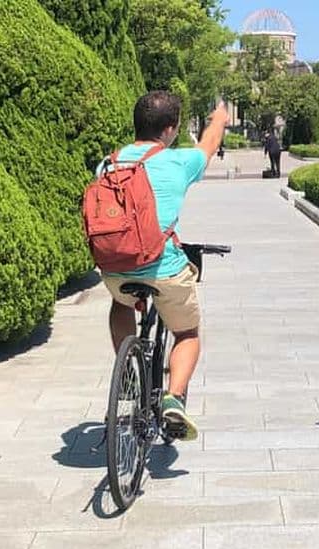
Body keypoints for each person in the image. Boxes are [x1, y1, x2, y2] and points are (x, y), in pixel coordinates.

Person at [98, 91, 227, 441]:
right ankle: (174, 397)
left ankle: (128, 375)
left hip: (114, 267)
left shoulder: (108, 164)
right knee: (187, 332)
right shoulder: (178, 162)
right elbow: (209, 145)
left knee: (119, 301)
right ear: (170, 129)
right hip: (163, 268)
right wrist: (219, 119)